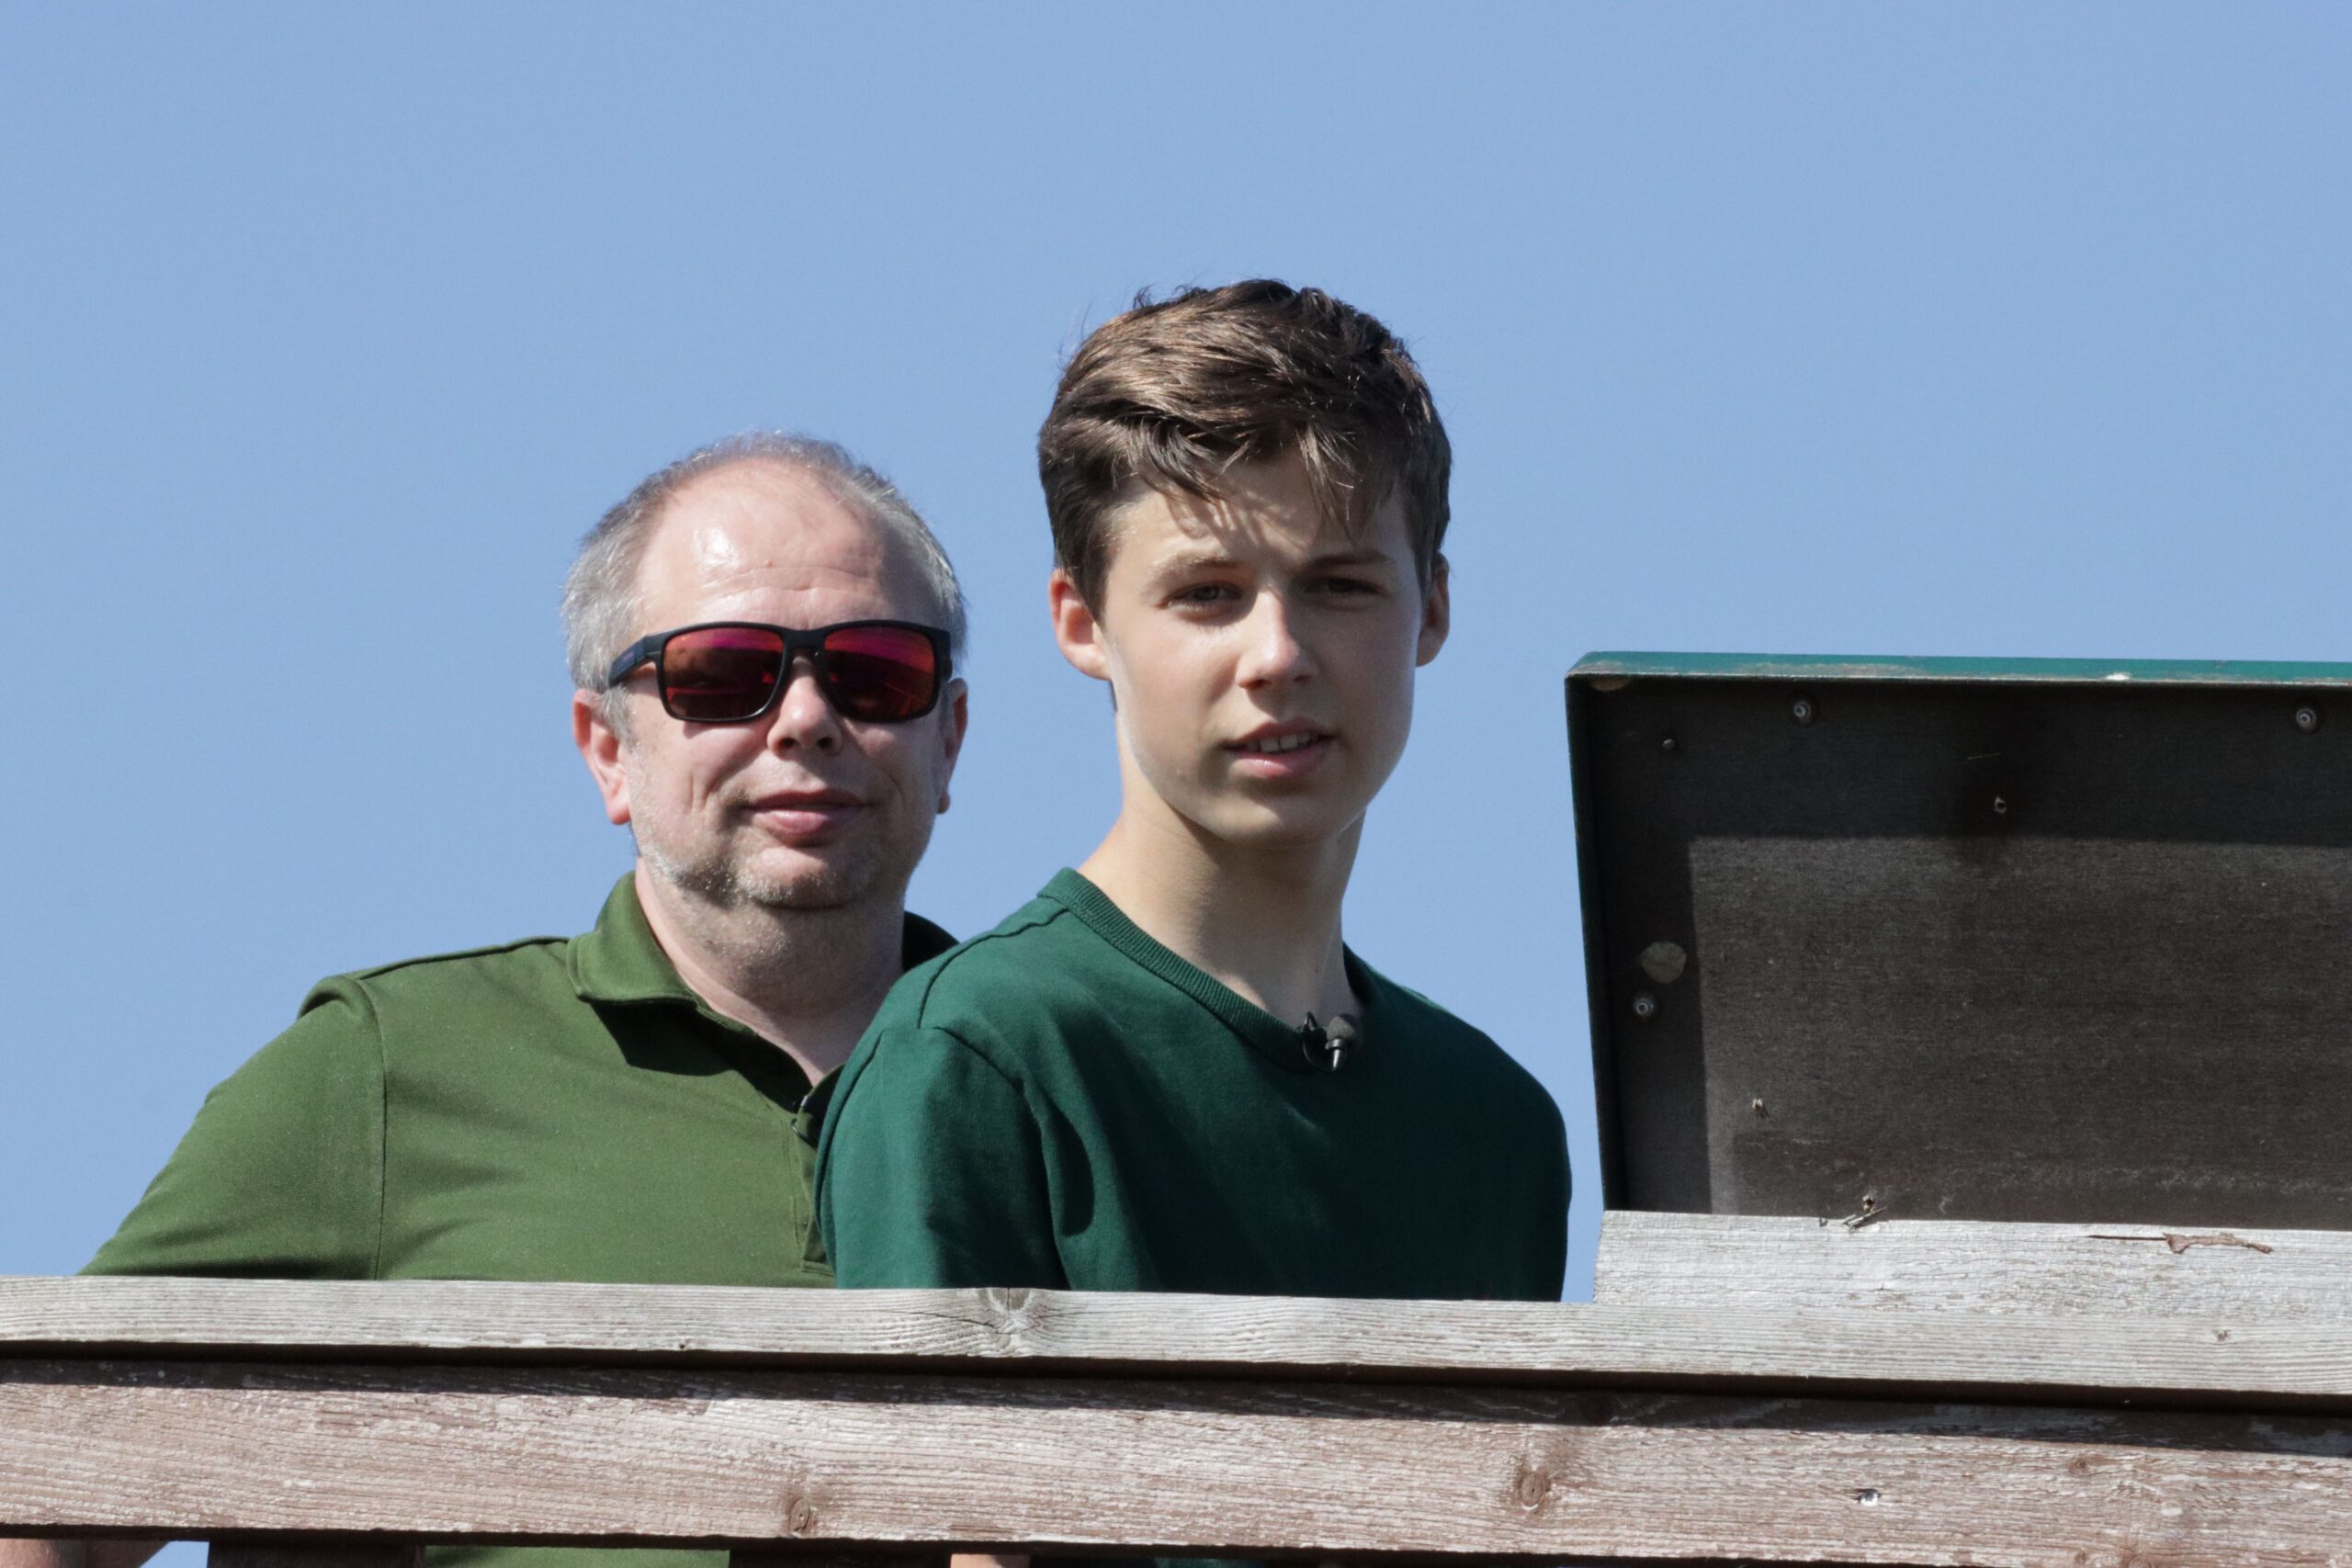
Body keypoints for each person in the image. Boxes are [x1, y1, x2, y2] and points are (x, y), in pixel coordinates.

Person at [2, 433, 969, 1568]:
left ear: (948, 740)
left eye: (874, 672)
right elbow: (44, 1490)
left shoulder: (1054, 1078)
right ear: (606, 750)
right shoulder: (384, 1072)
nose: (805, 718)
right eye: (721, 674)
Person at [817, 281, 1567, 1314]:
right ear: (1081, 623)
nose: (1278, 655)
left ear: (1431, 609)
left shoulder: (1496, 1123)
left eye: (1341, 586)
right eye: (1207, 594)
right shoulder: (982, 1055)